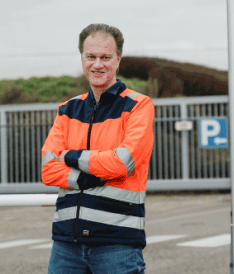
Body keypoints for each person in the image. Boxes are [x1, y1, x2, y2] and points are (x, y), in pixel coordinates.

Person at [41, 23, 154, 274]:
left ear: (118, 60)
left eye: (105, 57)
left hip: (117, 245)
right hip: (66, 246)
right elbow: (48, 170)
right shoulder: (67, 109)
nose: (97, 64)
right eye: (90, 56)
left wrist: (69, 156)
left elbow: (122, 163)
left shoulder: (138, 106)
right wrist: (87, 176)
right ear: (82, 57)